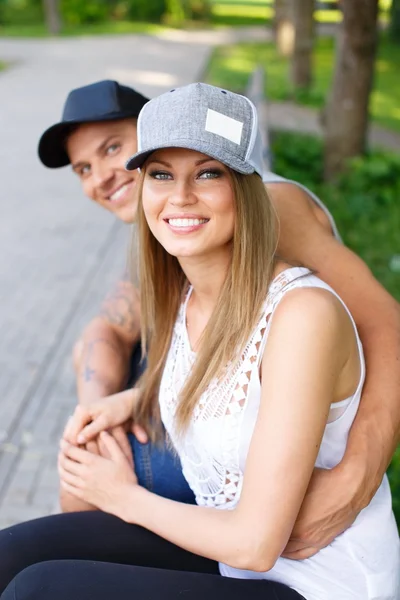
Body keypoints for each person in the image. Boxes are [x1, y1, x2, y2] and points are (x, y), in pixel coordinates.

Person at [2, 82, 398, 600]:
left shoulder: (286, 257)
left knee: (44, 587)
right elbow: (113, 333)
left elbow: (384, 324)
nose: (104, 176)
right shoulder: (186, 281)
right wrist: (126, 401)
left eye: (207, 172)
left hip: (308, 573)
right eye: (161, 173)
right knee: (16, 556)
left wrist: (359, 472)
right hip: (236, 550)